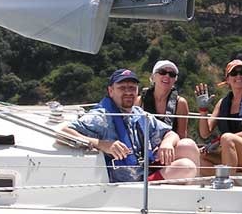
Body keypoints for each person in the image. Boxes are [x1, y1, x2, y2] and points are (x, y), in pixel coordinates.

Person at [61, 68, 199, 182]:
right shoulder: (101, 116)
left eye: (132, 88)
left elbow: (171, 133)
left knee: (188, 145)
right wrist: (103, 144)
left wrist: (167, 143)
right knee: (186, 167)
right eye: (122, 88)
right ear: (111, 91)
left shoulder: (139, 114)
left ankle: (196, 199)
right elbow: (63, 132)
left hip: (147, 171)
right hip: (127, 184)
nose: (128, 92)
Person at [194, 60, 242, 174]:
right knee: (198, 155)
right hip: (231, 153)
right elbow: (205, 133)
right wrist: (203, 110)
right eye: (234, 73)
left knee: (227, 138)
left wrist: (220, 141)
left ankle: (227, 180)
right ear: (227, 79)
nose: (238, 76)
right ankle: (225, 177)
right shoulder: (222, 103)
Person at [136, 59, 190, 139]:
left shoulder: (180, 103)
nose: (167, 76)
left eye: (172, 74)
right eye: (162, 72)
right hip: (145, 144)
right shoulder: (139, 101)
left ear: (175, 80)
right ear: (153, 77)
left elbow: (182, 135)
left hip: (171, 144)